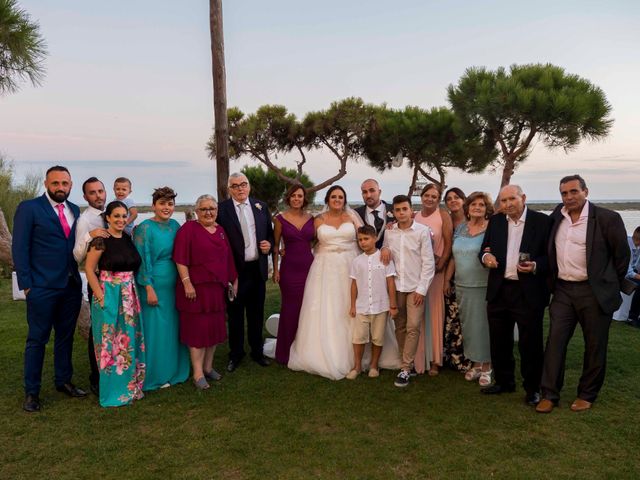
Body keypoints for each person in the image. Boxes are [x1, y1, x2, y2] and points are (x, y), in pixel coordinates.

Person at [537, 175, 630, 413]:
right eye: (564, 193)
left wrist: (606, 284)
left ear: (585, 191)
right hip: (563, 291)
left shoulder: (608, 218)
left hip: (594, 291)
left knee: (594, 345)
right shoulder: (557, 216)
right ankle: (549, 393)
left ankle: (587, 394)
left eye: (573, 192)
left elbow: (621, 257)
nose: (569, 197)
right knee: (555, 342)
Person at [288, 185, 400, 380]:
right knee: (327, 308)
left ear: (345, 200)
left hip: (350, 263)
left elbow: (369, 236)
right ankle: (326, 351)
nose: (337, 200)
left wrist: (389, 236)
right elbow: (305, 240)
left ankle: (364, 357)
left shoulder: (352, 217)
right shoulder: (318, 220)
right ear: (327, 199)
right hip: (324, 266)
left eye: (341, 197)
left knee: (353, 304)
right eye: (333, 197)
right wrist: (284, 249)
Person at [13, 165, 87, 412]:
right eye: (55, 183)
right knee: (37, 339)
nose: (60, 188)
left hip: (70, 285)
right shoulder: (29, 208)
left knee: (65, 337)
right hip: (41, 287)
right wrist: (27, 286)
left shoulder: (75, 210)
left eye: (64, 184)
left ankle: (63, 381)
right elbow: (20, 248)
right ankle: (31, 392)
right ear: (46, 184)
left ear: (70, 185)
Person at [479, 185, 550, 406]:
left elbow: (552, 256)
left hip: (527, 292)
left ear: (523, 198)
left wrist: (536, 265)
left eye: (512, 199)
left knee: (530, 343)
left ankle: (532, 389)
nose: (508, 204)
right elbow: (485, 249)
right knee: (499, 341)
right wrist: (486, 258)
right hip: (499, 289)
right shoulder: (497, 222)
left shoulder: (542, 221)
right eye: (503, 200)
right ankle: (504, 382)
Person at [84, 201, 145, 407]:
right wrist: (101, 296)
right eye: (116, 216)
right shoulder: (100, 240)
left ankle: (129, 385)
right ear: (107, 218)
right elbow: (89, 269)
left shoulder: (127, 238)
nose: (120, 220)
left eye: (123, 216)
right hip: (109, 294)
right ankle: (111, 389)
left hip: (129, 295)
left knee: (128, 340)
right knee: (110, 343)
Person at [173, 195, 238, 390]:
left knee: (214, 330)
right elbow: (180, 259)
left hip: (215, 291)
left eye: (212, 209)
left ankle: (209, 367)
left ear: (217, 211)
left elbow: (228, 259)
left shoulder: (220, 231)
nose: (208, 212)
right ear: (196, 211)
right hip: (195, 290)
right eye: (204, 209)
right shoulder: (188, 230)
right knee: (197, 333)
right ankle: (198, 373)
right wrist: (187, 283)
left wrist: (233, 281)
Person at [216, 173, 274, 372]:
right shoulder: (221, 209)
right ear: (229, 189)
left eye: (244, 185)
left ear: (249, 187)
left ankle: (257, 351)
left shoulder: (260, 206)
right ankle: (236, 354)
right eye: (235, 186)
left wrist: (269, 244)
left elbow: (270, 235)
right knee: (235, 315)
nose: (240, 189)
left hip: (257, 269)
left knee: (256, 313)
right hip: (234, 272)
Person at [133, 187, 190, 390]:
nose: (167, 207)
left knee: (172, 329)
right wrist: (148, 287)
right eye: (162, 203)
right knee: (155, 330)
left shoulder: (175, 225)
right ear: (153, 206)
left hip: (174, 285)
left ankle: (173, 370)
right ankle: (154, 375)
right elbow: (142, 259)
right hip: (153, 286)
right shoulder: (144, 228)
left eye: (170, 204)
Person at [383, 195, 435, 388]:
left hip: (415, 289)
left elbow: (428, 263)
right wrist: (385, 249)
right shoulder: (390, 232)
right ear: (394, 212)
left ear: (410, 209)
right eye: (398, 210)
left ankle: (405, 368)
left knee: (413, 326)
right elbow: (385, 251)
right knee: (400, 326)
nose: (401, 213)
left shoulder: (422, 232)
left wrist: (421, 290)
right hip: (396, 287)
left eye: (405, 209)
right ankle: (407, 363)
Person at [445, 192, 493, 387]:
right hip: (462, 285)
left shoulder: (491, 228)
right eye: (474, 204)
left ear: (486, 208)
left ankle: (488, 367)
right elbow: (454, 257)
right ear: (468, 207)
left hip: (483, 286)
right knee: (469, 327)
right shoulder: (460, 228)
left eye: (481, 205)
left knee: (484, 327)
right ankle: (474, 363)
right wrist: (447, 280)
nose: (477, 207)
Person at [73, 177, 109, 396]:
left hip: (115, 281)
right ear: (85, 197)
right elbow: (77, 255)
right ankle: (96, 378)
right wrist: (90, 236)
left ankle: (113, 371)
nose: (98, 196)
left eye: (101, 191)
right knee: (98, 331)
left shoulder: (110, 215)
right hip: (96, 280)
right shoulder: (85, 221)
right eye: (93, 193)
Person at [347, 225, 397, 379]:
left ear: (375, 238)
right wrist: (353, 305)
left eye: (366, 239)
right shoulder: (357, 261)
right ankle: (357, 366)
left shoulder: (384, 258)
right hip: (362, 307)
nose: (363, 242)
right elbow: (354, 284)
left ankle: (374, 365)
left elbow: (390, 282)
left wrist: (393, 305)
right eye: (360, 239)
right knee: (358, 338)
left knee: (377, 338)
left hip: (380, 306)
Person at [272, 184, 314, 364]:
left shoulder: (312, 218)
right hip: (289, 270)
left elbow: (317, 241)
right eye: (293, 196)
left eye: (300, 196)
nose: (297, 199)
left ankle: (305, 346)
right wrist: (275, 269)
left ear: (304, 199)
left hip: (309, 268)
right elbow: (275, 246)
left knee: (308, 308)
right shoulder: (279, 219)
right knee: (290, 309)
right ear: (288, 198)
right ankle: (284, 351)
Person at [414, 184, 453, 376]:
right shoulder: (415, 216)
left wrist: (442, 265)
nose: (430, 199)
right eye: (427, 195)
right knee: (419, 315)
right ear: (421, 197)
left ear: (438, 200)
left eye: (434, 196)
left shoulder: (443, 215)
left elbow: (448, 242)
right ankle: (419, 358)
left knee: (435, 314)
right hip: (418, 273)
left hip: (437, 273)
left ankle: (436, 360)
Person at [442, 187, 471, 372]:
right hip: (447, 273)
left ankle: (469, 358)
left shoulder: (472, 221)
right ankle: (451, 356)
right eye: (449, 198)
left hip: (469, 275)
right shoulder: (445, 220)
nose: (453, 201)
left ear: (463, 200)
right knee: (451, 317)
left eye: (456, 197)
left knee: (468, 318)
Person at [354, 179, 395, 248]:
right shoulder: (356, 213)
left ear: (379, 192)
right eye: (364, 192)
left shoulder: (394, 210)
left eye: (372, 190)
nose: (368, 195)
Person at [624, 226, 640, 327]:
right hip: (621, 275)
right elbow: (627, 271)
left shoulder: (638, 247)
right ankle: (632, 317)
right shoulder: (625, 245)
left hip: (633, 273)